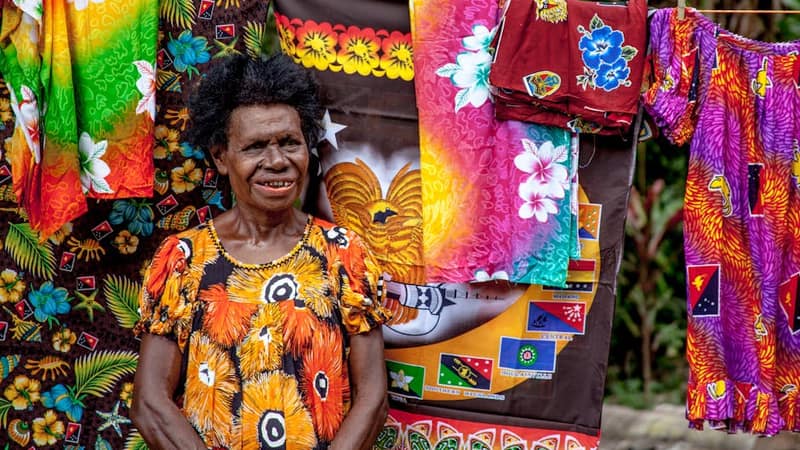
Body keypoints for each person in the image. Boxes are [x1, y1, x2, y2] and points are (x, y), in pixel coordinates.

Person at [131, 53, 391, 450]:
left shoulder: (344, 254)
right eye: (255, 147)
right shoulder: (183, 259)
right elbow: (150, 403)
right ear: (221, 156)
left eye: (290, 143)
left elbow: (373, 398)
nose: (277, 161)